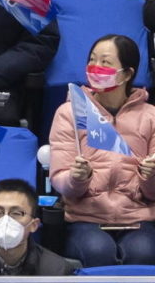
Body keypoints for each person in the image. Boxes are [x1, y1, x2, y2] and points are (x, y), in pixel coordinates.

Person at [48, 32, 155, 265]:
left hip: (138, 217)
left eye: (105, 63)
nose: (95, 67)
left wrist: (150, 177)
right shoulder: (69, 113)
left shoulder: (151, 117)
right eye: (92, 60)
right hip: (86, 217)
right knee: (97, 251)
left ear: (127, 74)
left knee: (143, 253)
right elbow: (59, 178)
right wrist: (77, 178)